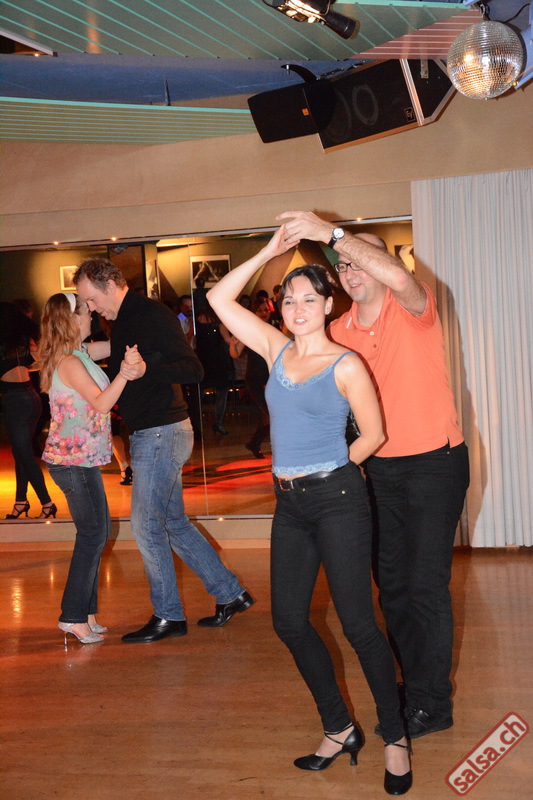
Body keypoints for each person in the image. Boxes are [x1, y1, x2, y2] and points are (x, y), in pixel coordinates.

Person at [208, 227, 412, 796]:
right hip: (290, 504)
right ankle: (339, 727)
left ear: (328, 305)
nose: (297, 309)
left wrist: (332, 468)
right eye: (289, 300)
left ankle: (395, 736)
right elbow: (219, 298)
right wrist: (269, 252)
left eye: (308, 299)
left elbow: (374, 434)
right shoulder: (275, 350)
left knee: (359, 625)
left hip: (338, 499)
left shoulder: (346, 364)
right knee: (289, 622)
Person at [278, 210, 470, 741]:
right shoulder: (338, 333)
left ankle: (433, 703)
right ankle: (414, 686)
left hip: (435, 463)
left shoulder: (414, 308)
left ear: (384, 265)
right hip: (376, 471)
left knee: (425, 585)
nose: (350, 270)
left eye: (360, 260)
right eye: (343, 265)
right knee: (392, 588)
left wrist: (331, 234)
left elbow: (399, 279)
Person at [73, 258, 254, 643]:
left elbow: (193, 369)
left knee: (146, 525)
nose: (90, 307)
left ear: (109, 286)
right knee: (173, 522)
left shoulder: (148, 314)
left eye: (90, 299)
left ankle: (169, 615)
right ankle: (230, 593)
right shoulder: (125, 319)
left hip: (160, 433)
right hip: (158, 431)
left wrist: (145, 371)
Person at [38, 292, 140, 644]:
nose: (92, 315)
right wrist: (123, 375)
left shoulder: (79, 352)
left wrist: (135, 326)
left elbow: (114, 345)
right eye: (86, 311)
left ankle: (87, 612)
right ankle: (72, 615)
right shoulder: (69, 362)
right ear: (72, 319)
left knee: (98, 531)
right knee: (93, 533)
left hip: (82, 460)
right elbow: (101, 403)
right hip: (71, 462)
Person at [0, 301, 56, 520]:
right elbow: (42, 360)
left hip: (15, 401)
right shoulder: (23, 340)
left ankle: (47, 503)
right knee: (20, 453)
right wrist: (26, 366)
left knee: (23, 454)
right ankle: (21, 501)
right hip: (32, 398)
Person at [229, 300, 272, 459]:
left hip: (271, 378)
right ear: (254, 313)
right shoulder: (248, 331)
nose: (264, 313)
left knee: (271, 414)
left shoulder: (273, 329)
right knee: (271, 414)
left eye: (266, 310)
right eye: (260, 310)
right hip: (255, 379)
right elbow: (235, 354)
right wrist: (232, 345)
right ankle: (256, 443)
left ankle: (255, 443)